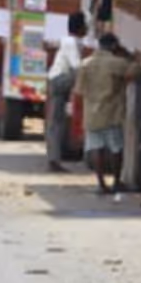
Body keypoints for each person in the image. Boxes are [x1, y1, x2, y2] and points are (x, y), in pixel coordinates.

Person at [71, 33, 141, 194]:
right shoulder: (115, 63)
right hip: (112, 113)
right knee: (116, 148)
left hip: (92, 114)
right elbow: (136, 70)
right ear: (114, 46)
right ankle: (116, 181)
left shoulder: (85, 64)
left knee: (97, 148)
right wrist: (129, 56)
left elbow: (78, 90)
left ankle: (101, 184)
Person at [46, 11, 87, 172]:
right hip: (59, 80)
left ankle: (54, 158)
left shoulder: (72, 41)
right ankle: (53, 160)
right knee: (56, 122)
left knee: (58, 122)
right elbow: (78, 67)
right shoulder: (70, 42)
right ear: (80, 27)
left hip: (59, 81)